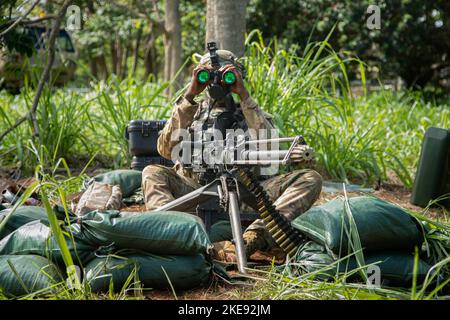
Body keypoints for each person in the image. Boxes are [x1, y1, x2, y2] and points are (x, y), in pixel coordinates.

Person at [142, 48, 322, 260]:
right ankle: (172, 232)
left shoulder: (251, 112)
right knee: (152, 172)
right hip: (195, 192)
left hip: (247, 192)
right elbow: (165, 149)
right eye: (209, 76)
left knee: (310, 179)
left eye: (225, 76)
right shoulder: (190, 112)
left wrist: (244, 96)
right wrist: (190, 95)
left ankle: (254, 237)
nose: (216, 83)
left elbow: (268, 148)